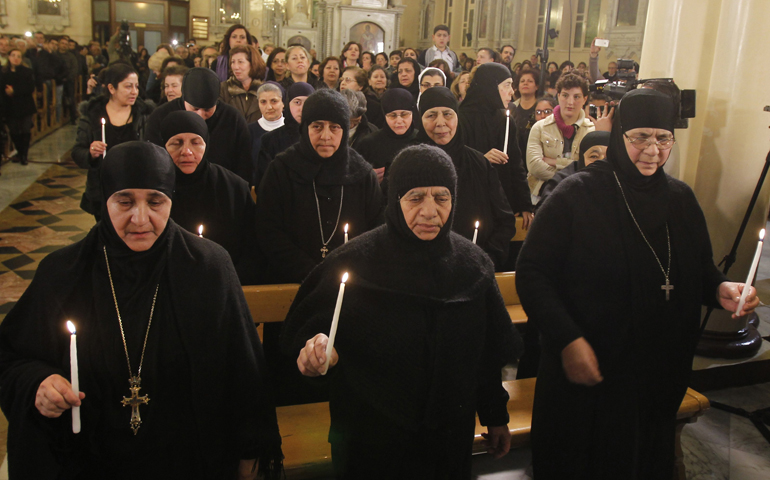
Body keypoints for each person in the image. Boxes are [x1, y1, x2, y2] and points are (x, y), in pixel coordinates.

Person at [0, 141, 283, 479]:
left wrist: (249, 454)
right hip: (90, 463)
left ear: (170, 200)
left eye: (155, 201)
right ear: (104, 201)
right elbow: (12, 357)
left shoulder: (208, 268)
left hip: (187, 461)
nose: (140, 218)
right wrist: (39, 383)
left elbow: (243, 372)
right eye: (124, 201)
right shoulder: (63, 272)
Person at [515, 88, 759, 479]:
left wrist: (720, 289)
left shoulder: (680, 199)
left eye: (663, 138)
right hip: (591, 370)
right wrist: (568, 339)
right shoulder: (576, 195)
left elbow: (698, 268)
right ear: (619, 135)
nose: (652, 150)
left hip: (656, 372)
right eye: (640, 137)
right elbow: (532, 273)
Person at [281, 144, 523, 479]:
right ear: (395, 200)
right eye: (415, 197)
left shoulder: (472, 265)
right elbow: (308, 338)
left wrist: (496, 416)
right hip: (370, 440)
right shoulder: (353, 263)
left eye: (441, 197)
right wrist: (317, 353)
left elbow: (484, 354)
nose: (429, 211)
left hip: (447, 439)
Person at [255, 89, 383, 406]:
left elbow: (377, 231)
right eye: (317, 126)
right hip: (293, 290)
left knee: (343, 386)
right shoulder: (281, 170)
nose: (325, 136)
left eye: (335, 127)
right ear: (305, 127)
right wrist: (314, 273)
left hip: (349, 293)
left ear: (346, 128)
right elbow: (268, 232)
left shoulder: (362, 173)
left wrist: (344, 271)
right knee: (290, 384)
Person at [417, 87, 517, 269]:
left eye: (447, 114)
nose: (440, 123)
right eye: (431, 115)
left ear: (457, 117)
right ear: (420, 119)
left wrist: (486, 259)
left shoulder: (479, 164)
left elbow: (504, 220)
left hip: (475, 266)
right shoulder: (408, 165)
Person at [161, 111, 261, 284]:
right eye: (176, 143)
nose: (187, 151)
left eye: (195, 142)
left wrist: (225, 280)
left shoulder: (233, 188)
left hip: (227, 282)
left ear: (206, 144)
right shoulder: (154, 190)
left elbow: (252, 250)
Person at [458, 63, 533, 238]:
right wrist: (480, 158)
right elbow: (454, 158)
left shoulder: (505, 121)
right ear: (489, 86)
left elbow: (516, 165)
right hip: (470, 203)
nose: (512, 92)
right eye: (506, 85)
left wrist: (524, 205)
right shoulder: (459, 119)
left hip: (501, 203)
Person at [72, 63, 154, 219]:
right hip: (103, 189)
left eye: (136, 86)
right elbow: (77, 152)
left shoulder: (144, 114)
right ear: (111, 88)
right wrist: (91, 152)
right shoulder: (92, 114)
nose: (134, 92)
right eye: (128, 87)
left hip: (137, 186)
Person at [146, 67, 254, 185]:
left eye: (207, 109)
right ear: (184, 99)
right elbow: (153, 163)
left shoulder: (233, 119)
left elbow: (244, 166)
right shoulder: (160, 117)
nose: (200, 115)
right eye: (195, 109)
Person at [526, 73, 604, 203]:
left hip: (579, 195)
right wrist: (569, 177)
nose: (570, 102)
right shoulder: (540, 127)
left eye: (577, 97)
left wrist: (555, 162)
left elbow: (591, 168)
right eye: (565, 95)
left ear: (585, 99)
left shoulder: (592, 130)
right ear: (558, 96)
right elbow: (534, 165)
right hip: (541, 195)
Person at [356, 88, 419, 190]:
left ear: (412, 113)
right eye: (392, 115)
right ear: (384, 116)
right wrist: (369, 179)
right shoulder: (368, 143)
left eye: (404, 114)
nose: (399, 121)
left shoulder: (421, 140)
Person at [255, 82, 314, 188]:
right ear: (287, 104)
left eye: (308, 102)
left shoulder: (322, 138)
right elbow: (264, 182)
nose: (302, 108)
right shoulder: (270, 140)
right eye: (297, 102)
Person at [1, 49, 36, 166]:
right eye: (13, 55)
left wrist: (14, 91)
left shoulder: (27, 71)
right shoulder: (3, 72)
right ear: (9, 57)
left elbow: (30, 87)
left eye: (18, 56)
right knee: (14, 131)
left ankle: (24, 155)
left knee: (25, 130)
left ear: (21, 59)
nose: (16, 58)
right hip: (10, 107)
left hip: (25, 105)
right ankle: (20, 152)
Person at [218, 44, 267, 123]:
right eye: (233, 62)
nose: (235, 67)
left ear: (252, 64)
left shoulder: (265, 90)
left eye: (240, 62)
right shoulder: (223, 89)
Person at [249, 82, 285, 186]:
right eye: (263, 102)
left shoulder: (292, 130)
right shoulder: (249, 131)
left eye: (274, 101)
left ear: (283, 103)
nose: (269, 107)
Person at [512, 70, 539, 164]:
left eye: (530, 81)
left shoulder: (541, 108)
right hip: (515, 157)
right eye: (522, 81)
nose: (525, 83)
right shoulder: (511, 107)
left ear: (537, 86)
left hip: (536, 156)